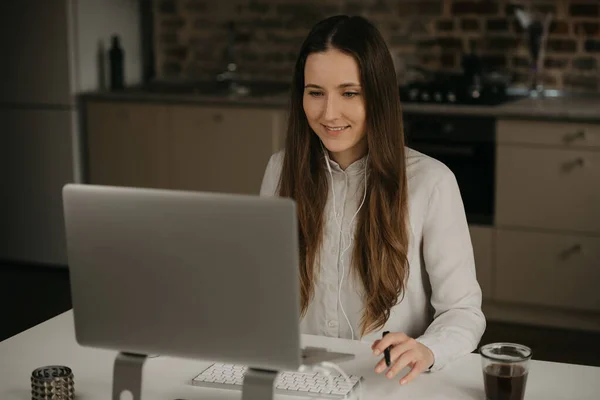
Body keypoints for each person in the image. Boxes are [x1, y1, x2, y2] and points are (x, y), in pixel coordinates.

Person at [259, 15, 486, 385]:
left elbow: (462, 312)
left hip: (390, 383)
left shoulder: (433, 182)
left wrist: (428, 350)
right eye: (315, 92)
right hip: (297, 378)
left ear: (377, 96)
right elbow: (264, 288)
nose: (329, 113)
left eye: (350, 93)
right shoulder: (279, 171)